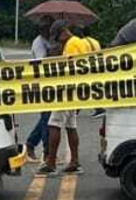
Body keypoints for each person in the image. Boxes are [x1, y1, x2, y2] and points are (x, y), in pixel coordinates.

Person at [38, 21, 95, 177]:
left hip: (67, 90)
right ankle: (75, 162)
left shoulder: (71, 44)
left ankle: (51, 164)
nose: (58, 42)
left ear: (63, 32)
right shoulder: (79, 42)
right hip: (76, 90)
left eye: (57, 38)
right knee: (70, 126)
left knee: (53, 124)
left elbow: (68, 69)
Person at [25, 18, 56, 163]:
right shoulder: (39, 42)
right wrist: (54, 52)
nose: (49, 31)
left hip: (51, 82)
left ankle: (30, 144)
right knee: (46, 119)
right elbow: (41, 62)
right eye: (47, 28)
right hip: (42, 83)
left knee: (47, 117)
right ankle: (47, 152)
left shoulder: (50, 40)